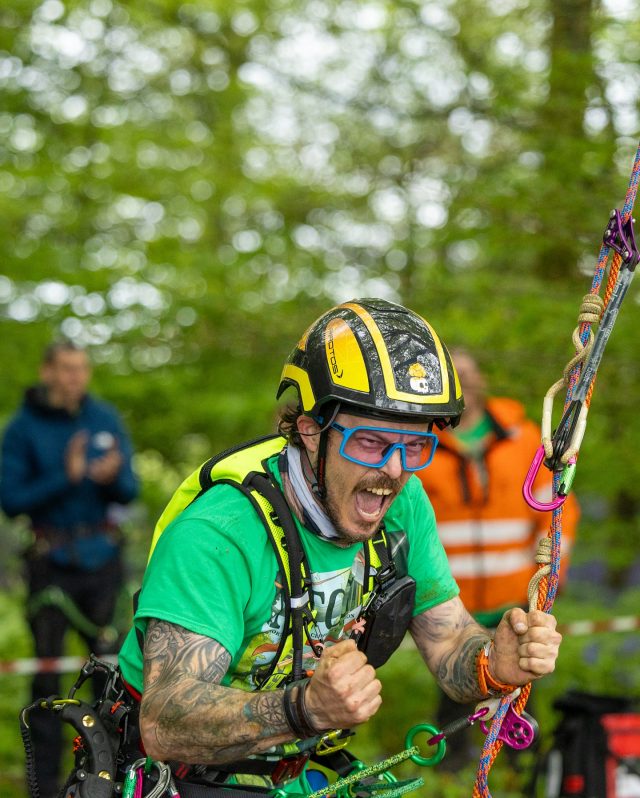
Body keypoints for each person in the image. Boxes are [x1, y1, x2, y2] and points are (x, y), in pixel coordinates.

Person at [117, 299, 562, 797]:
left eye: (413, 446)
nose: (394, 471)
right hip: (177, 778)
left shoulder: (403, 503)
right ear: (310, 430)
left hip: (300, 773)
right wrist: (304, 709)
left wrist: (493, 664)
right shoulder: (222, 532)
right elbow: (165, 722)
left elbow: (450, 643)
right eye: (371, 443)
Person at [417, 347, 579, 769]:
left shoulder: (524, 437)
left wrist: (549, 575)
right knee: (454, 700)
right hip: (451, 602)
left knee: (521, 703)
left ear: (482, 379)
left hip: (516, 597)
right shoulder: (419, 446)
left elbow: (558, 507)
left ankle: (521, 776)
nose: (465, 381)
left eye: (470, 372)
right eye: (455, 375)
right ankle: (451, 777)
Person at [0, 340, 139, 798]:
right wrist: (69, 474)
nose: (74, 377)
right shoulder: (23, 429)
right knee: (47, 679)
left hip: (103, 565)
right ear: (47, 371)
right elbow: (12, 500)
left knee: (110, 677)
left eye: (81, 369)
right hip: (50, 566)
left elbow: (129, 490)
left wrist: (113, 476)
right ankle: (43, 788)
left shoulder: (104, 418)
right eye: (65, 369)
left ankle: (109, 781)